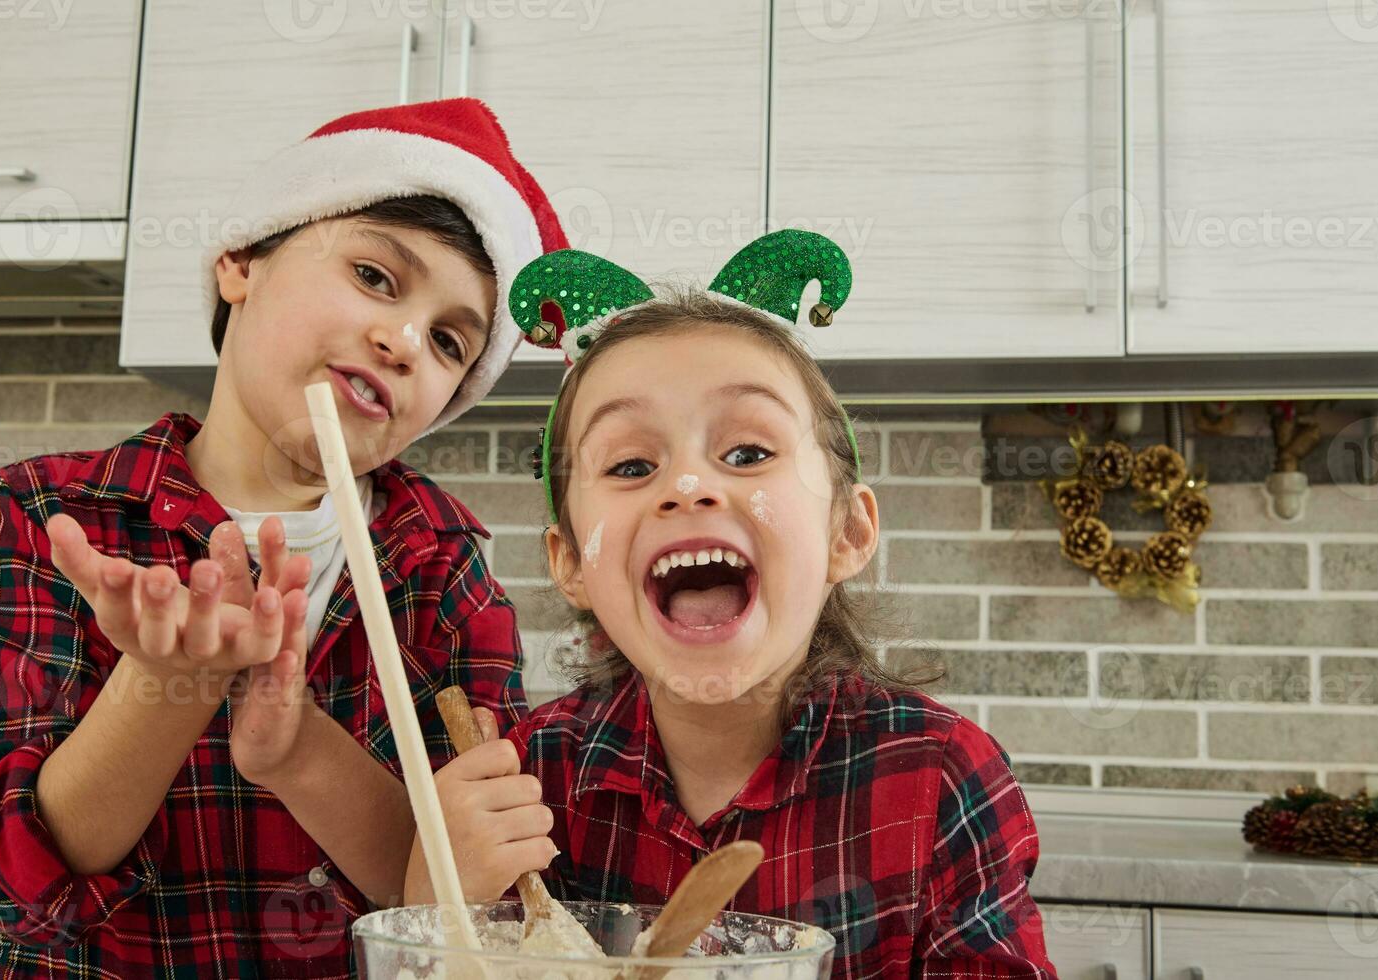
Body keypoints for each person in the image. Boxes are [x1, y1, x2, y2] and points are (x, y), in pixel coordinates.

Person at [0, 98, 566, 977]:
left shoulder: (443, 559)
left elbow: (445, 897)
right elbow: (13, 875)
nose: (404, 340)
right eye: (377, 277)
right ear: (239, 263)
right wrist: (169, 686)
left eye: (451, 341)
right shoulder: (43, 512)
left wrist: (298, 750)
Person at [408, 232, 1059, 978]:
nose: (686, 486)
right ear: (569, 564)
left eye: (747, 454)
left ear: (846, 531)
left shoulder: (938, 777)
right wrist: (435, 903)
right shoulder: (532, 784)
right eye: (630, 464)